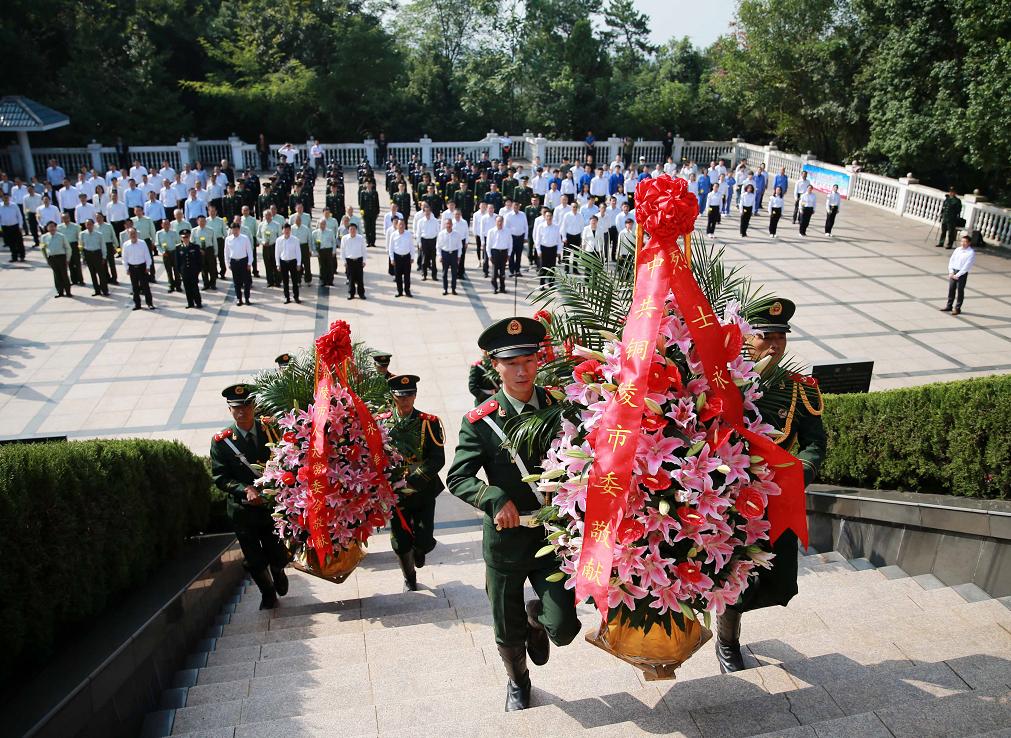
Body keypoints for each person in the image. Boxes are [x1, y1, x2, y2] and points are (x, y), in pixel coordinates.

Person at [447, 317, 580, 711]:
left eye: (529, 359)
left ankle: (537, 619)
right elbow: (458, 477)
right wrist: (493, 497)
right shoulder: (482, 421)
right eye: (512, 363)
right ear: (496, 367)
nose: (522, 370)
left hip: (553, 536)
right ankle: (518, 681)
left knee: (566, 627)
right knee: (506, 627)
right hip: (506, 539)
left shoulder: (560, 407)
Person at [717, 299, 825, 673]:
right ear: (749, 338)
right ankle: (728, 638)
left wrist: (800, 472)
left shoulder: (799, 388)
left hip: (777, 500)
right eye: (766, 337)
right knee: (735, 574)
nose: (775, 344)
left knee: (783, 586)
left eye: (780, 337)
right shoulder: (724, 381)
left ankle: (727, 609)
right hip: (732, 501)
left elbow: (815, 442)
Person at [210, 384, 290, 610]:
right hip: (243, 510)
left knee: (277, 552)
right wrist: (244, 489)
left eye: (246, 406)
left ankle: (278, 571)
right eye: (236, 408)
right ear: (229, 410)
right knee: (254, 559)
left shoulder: (270, 430)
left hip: (271, 506)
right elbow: (220, 477)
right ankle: (267, 593)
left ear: (254, 405)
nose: (242, 412)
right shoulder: (222, 442)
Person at [378, 375, 446, 591]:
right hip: (395, 491)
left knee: (425, 539)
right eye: (401, 396)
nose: (406, 400)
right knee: (400, 541)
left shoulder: (429, 422)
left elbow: (438, 458)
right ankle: (409, 577)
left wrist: (415, 480)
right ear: (393, 397)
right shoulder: (382, 423)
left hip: (422, 489)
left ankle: (421, 549)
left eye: (410, 395)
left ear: (415, 395)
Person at [940, 234, 976, 316]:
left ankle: (957, 308)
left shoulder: (971, 253)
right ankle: (949, 306)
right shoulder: (957, 249)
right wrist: (951, 271)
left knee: (960, 290)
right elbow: (951, 260)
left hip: (962, 273)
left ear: (969, 243)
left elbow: (967, 266)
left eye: (965, 242)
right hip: (954, 271)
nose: (963, 243)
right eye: (962, 241)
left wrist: (958, 274)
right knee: (951, 289)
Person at [121, 228, 154, 310]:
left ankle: (149, 303)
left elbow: (147, 255)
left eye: (134, 233)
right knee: (135, 287)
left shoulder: (142, 243)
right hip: (132, 267)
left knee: (145, 286)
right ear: (128, 235)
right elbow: (124, 258)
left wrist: (148, 267)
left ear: (137, 234)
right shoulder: (126, 245)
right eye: (131, 234)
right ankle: (137, 304)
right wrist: (127, 268)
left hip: (142, 267)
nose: (133, 235)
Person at [41, 221, 73, 297]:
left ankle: (68, 291)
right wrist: (47, 259)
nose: (51, 228)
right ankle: (60, 291)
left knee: (64, 275)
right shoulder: (44, 237)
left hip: (61, 257)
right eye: (50, 226)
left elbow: (68, 248)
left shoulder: (61, 236)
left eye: (53, 226)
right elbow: (43, 249)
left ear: (56, 227)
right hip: (51, 258)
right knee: (56, 275)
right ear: (47, 228)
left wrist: (68, 259)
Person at [225, 222, 254, 305]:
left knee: (247, 281)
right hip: (234, 262)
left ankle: (247, 298)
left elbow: (249, 251)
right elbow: (226, 252)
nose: (235, 231)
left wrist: (249, 263)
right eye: (233, 229)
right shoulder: (228, 239)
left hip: (243, 261)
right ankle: (239, 298)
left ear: (239, 229)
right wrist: (228, 263)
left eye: (236, 229)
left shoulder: (245, 238)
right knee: (236, 282)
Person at [79, 220, 110, 296]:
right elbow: (81, 246)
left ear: (93, 225)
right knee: (92, 274)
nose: (89, 226)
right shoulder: (82, 234)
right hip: (88, 254)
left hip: (97, 254)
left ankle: (105, 290)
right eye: (87, 224)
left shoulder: (98, 234)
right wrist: (83, 257)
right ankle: (97, 290)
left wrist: (104, 257)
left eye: (90, 224)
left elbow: (103, 246)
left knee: (101, 274)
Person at [388, 217, 416, 298]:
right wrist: (392, 259)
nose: (401, 226)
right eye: (400, 224)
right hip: (397, 257)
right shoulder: (393, 235)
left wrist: (412, 257)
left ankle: (407, 291)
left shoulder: (408, 234)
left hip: (406, 257)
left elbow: (412, 246)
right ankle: (399, 291)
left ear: (405, 225)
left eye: (403, 224)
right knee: (398, 276)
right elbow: (391, 248)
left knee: (407, 276)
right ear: (397, 225)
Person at [175, 229, 203, 308]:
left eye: (187, 237)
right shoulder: (178, 248)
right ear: (181, 238)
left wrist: (198, 270)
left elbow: (199, 260)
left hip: (193, 271)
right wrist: (179, 272)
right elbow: (177, 262)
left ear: (189, 237)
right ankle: (190, 303)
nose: (185, 239)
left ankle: (198, 302)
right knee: (187, 288)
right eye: (183, 237)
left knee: (195, 287)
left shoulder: (195, 247)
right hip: (184, 271)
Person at [275, 223, 302, 304]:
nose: (286, 231)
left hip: (293, 262)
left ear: (290, 230)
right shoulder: (279, 240)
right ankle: (287, 297)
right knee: (285, 281)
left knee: (295, 281)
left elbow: (298, 252)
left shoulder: (295, 239)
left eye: (288, 230)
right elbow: (277, 253)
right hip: (283, 262)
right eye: (285, 230)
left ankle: (296, 297)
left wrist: (299, 263)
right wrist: (278, 264)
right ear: (282, 230)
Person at [340, 221, 367, 300]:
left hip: (359, 260)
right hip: (349, 261)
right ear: (348, 230)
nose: (352, 231)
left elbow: (364, 250)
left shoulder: (360, 238)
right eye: (351, 229)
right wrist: (344, 261)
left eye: (354, 229)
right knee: (351, 278)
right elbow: (342, 251)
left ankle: (361, 293)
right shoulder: (345, 238)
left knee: (360, 278)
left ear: (356, 230)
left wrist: (364, 260)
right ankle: (351, 293)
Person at [414, 204, 440, 281]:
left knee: (433, 259)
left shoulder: (435, 221)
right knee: (424, 259)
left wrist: (438, 243)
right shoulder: (420, 221)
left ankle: (434, 275)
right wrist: (419, 243)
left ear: (430, 212)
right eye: (426, 211)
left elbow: (438, 232)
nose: (427, 213)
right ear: (424, 212)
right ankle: (424, 274)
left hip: (433, 241)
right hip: (424, 241)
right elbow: (418, 233)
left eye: (429, 211)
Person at [486, 215, 511, 294]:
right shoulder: (491, 231)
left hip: (503, 253)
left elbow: (510, 243)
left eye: (501, 221)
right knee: (494, 272)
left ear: (503, 222)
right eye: (498, 221)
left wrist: (509, 254)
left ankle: (502, 288)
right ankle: (494, 287)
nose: (499, 223)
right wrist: (489, 255)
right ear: (495, 222)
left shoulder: (507, 231)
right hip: (495, 252)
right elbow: (488, 245)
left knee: (502, 272)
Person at [155, 219, 181, 292]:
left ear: (170, 225)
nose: (166, 226)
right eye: (164, 224)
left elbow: (178, 242)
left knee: (176, 270)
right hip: (165, 253)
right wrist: (162, 252)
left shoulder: (174, 232)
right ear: (162, 225)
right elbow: (157, 244)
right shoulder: (159, 233)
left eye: (167, 224)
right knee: (168, 270)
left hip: (174, 252)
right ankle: (171, 285)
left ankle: (178, 285)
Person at [436, 218, 460, 296]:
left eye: (450, 224)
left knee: (454, 273)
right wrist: (439, 256)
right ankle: (445, 289)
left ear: (452, 225)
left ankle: (453, 289)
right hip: (445, 254)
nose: (448, 225)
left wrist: (458, 256)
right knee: (444, 273)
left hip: (454, 254)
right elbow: (438, 246)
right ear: (445, 225)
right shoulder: (441, 234)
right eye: (447, 224)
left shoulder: (456, 234)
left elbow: (460, 246)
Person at [314, 217, 338, 288]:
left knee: (330, 266)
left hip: (328, 250)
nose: (322, 225)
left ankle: (330, 281)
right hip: (320, 251)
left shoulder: (330, 232)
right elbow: (313, 243)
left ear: (326, 225)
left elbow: (333, 242)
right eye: (321, 224)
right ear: (318, 225)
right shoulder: (315, 233)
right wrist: (315, 252)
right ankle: (323, 281)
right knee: (322, 266)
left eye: (323, 224)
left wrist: (334, 251)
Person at [0, 193, 24, 261]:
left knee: (19, 242)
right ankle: (14, 257)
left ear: (9, 198)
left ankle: (22, 256)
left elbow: (19, 216)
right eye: (4, 198)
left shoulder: (14, 205)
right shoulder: (0, 206)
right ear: (2, 198)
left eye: (7, 198)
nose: (6, 199)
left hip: (15, 226)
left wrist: (20, 225)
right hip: (5, 227)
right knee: (11, 243)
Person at [359, 179, 380, 248]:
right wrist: (362, 212)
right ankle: (368, 242)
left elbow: (377, 203)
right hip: (366, 213)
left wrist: (377, 212)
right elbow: (361, 204)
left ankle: (373, 242)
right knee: (367, 228)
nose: (369, 185)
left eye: (370, 184)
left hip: (373, 213)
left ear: (372, 185)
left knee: (373, 227)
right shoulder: (363, 193)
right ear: (365, 185)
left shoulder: (375, 193)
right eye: (367, 184)